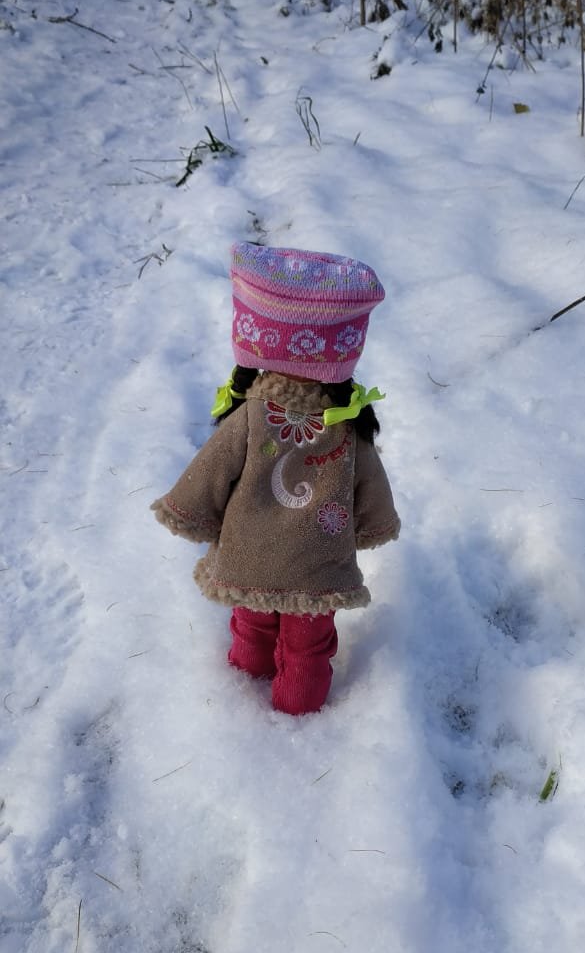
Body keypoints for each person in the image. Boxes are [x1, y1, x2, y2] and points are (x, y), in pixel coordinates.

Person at [151, 242, 400, 716]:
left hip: (249, 555)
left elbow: (209, 472)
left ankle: (242, 705)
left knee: (251, 627)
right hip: (319, 564)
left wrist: (189, 511)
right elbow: (373, 492)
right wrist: (370, 528)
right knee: (310, 648)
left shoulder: (250, 417)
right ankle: (299, 717)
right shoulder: (349, 426)